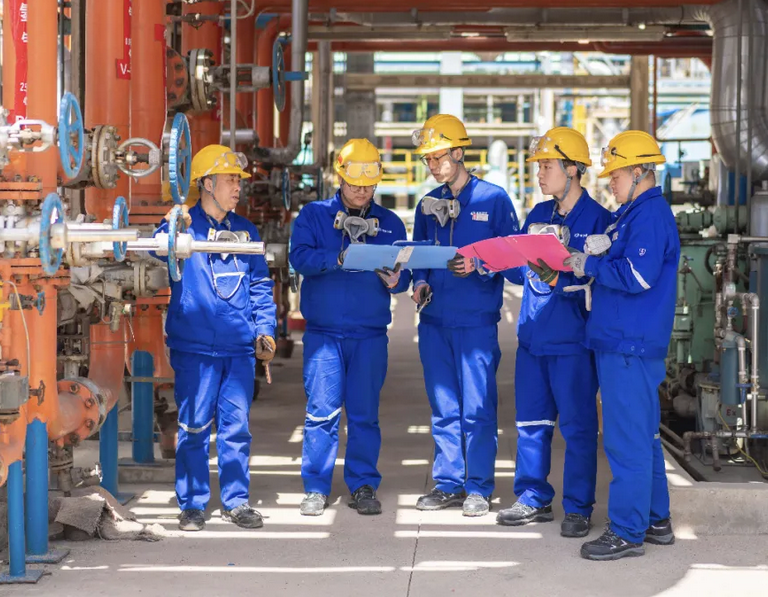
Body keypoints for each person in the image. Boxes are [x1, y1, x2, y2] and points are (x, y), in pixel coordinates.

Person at [564, 130, 680, 560]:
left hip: (628, 343)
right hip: (626, 342)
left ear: (639, 172)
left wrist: (589, 264)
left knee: (625, 441)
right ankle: (656, 520)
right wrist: (596, 255)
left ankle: (627, 531)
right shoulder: (631, 214)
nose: (609, 182)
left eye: (615, 174)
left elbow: (638, 276)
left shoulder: (648, 216)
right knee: (643, 437)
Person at [494, 128, 610, 538]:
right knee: (531, 423)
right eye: (539, 166)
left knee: (578, 429)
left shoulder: (599, 221)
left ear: (573, 169)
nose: (540, 174)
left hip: (574, 342)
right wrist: (491, 261)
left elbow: (601, 282)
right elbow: (520, 268)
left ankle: (578, 508)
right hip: (533, 338)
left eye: (547, 166)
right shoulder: (538, 215)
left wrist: (565, 277)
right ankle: (532, 498)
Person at [289, 138, 411, 517]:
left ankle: (363, 485)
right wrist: (338, 257)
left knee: (364, 414)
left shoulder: (390, 224)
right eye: (355, 184)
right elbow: (299, 257)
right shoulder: (314, 216)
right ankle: (316, 488)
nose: (361, 192)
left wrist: (397, 280)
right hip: (324, 334)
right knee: (321, 413)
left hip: (369, 335)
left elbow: (405, 276)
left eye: (368, 185)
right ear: (339, 178)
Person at [159, 144, 277, 532]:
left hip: (238, 347)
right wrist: (170, 225)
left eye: (238, 181)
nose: (238, 187)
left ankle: (236, 501)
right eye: (230, 180)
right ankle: (192, 504)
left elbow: (259, 284)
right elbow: (158, 250)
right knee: (193, 427)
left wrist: (265, 329)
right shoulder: (182, 225)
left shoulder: (246, 230)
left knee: (236, 428)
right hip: (194, 347)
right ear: (207, 184)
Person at [411, 114, 519, 517]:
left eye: (438, 157)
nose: (432, 165)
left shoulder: (494, 200)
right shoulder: (427, 205)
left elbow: (515, 264)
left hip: (476, 323)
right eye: (427, 159)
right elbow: (419, 255)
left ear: (459, 152)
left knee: (478, 410)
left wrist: (481, 266)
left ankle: (478, 488)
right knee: (444, 409)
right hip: (435, 322)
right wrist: (420, 282)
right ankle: (448, 484)